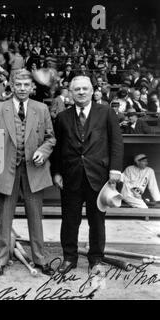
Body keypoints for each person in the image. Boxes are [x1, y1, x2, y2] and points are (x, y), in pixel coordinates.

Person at [0, 69, 56, 276]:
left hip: (34, 172)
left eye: (27, 85)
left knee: (35, 218)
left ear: (32, 87)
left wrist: (43, 152)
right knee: (4, 219)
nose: (23, 88)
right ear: (12, 85)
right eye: (19, 85)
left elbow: (50, 138)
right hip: (6, 172)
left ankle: (40, 259)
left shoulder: (41, 109)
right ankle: (0, 260)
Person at [52, 75, 123, 274]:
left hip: (99, 177)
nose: (81, 92)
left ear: (92, 91)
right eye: (77, 89)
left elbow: (116, 143)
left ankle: (96, 259)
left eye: (85, 88)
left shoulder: (106, 112)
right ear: (70, 93)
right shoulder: (63, 117)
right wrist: (56, 172)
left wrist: (115, 170)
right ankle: (69, 258)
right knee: (69, 220)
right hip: (70, 177)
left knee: (97, 221)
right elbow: (58, 148)